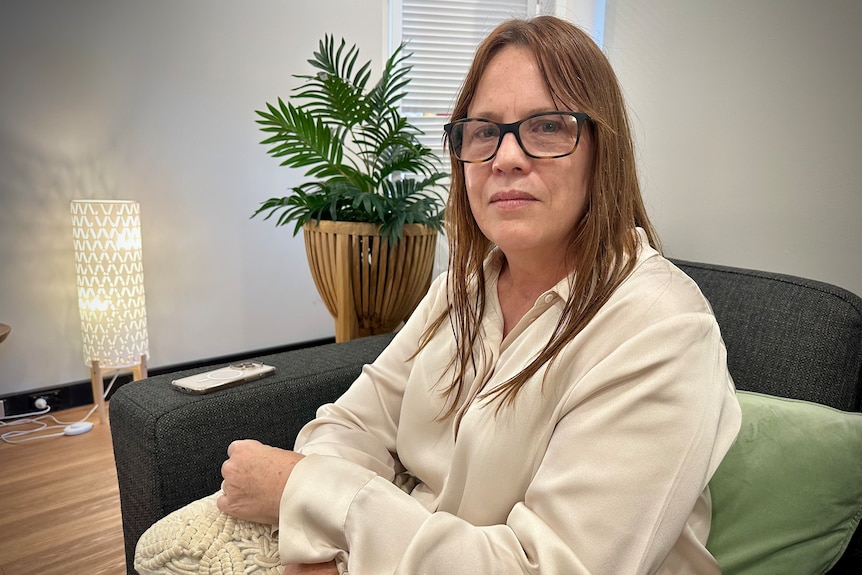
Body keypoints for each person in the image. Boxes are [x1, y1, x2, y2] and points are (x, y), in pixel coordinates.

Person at [137, 15, 741, 575]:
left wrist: (308, 496)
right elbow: (351, 423)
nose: (505, 157)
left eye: (547, 126)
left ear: (603, 151)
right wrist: (322, 534)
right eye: (483, 132)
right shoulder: (460, 290)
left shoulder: (661, 328)